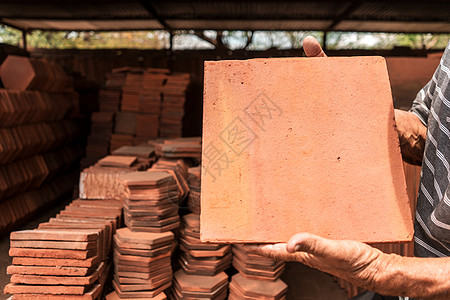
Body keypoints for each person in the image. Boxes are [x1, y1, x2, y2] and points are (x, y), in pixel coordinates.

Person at [245, 36, 450, 300]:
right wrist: (355, 112)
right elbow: (428, 133)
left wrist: (382, 270)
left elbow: (385, 272)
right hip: (418, 275)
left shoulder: (386, 270)